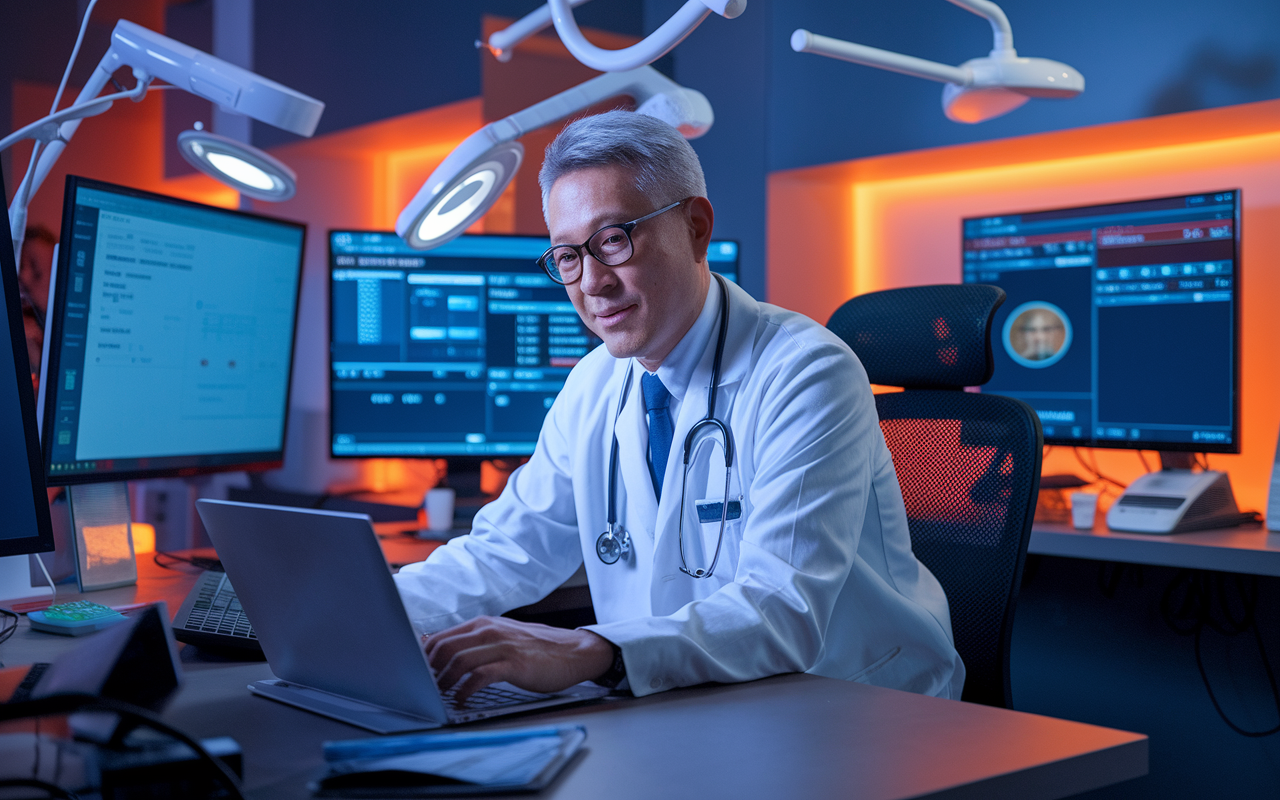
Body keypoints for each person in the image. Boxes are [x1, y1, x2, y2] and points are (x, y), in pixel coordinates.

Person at [394, 110, 963, 702]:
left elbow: (783, 606)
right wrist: (367, 610)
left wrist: (594, 650)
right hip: (691, 702)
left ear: (695, 227)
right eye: (567, 256)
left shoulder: (806, 371)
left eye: (613, 240)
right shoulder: (594, 383)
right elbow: (508, 549)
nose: (591, 281)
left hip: (851, 706)